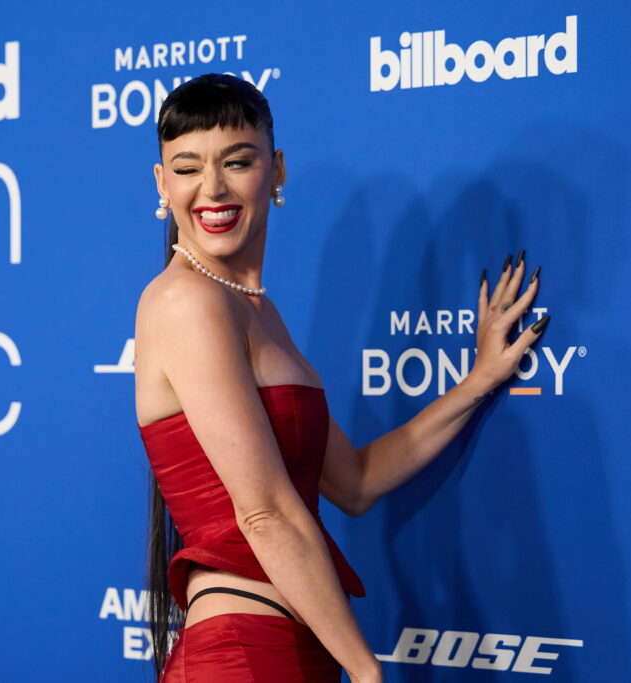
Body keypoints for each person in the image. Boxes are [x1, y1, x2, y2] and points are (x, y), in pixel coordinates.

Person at [133, 73, 547, 682]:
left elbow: (354, 481)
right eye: (187, 168)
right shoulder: (184, 302)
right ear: (161, 183)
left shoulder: (253, 308)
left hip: (299, 642)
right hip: (242, 653)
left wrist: (478, 379)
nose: (212, 188)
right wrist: (367, 670)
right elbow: (265, 514)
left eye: (237, 161)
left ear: (276, 169)